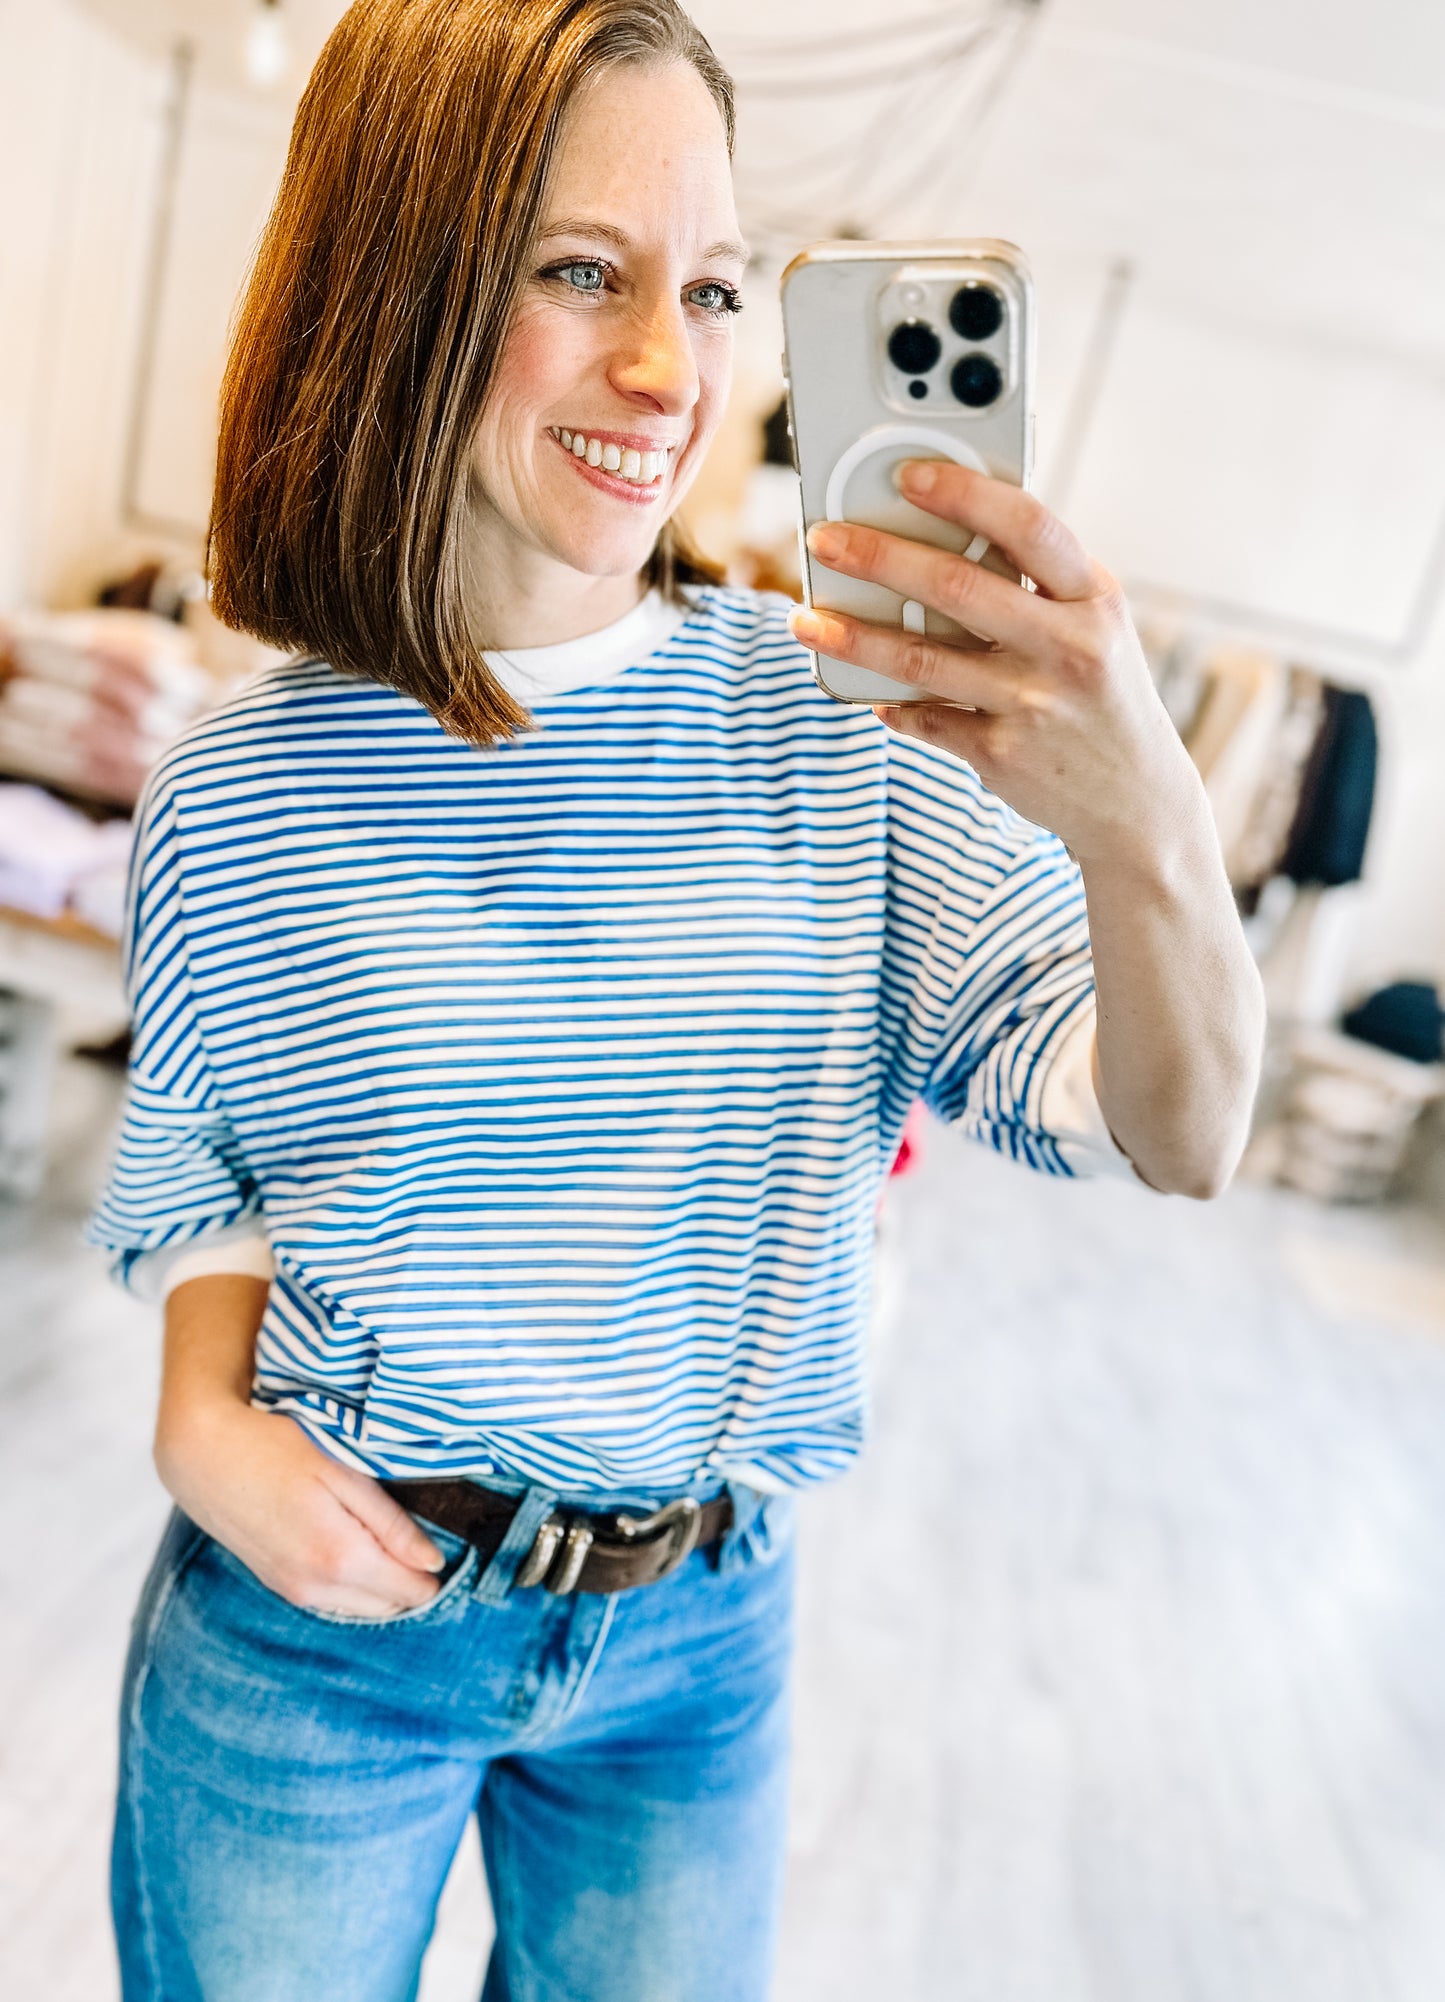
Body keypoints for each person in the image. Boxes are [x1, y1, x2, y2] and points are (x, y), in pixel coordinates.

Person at [87, 2, 1264, 1996]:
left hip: (697, 1640)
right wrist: (200, 1420)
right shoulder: (246, 783)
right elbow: (208, 1156)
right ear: (404, 285)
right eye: (580, 271)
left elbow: (1187, 1125)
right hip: (318, 1624)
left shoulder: (851, 735)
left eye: (715, 288)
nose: (668, 367)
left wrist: (1150, 816)